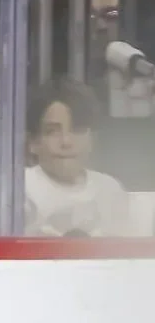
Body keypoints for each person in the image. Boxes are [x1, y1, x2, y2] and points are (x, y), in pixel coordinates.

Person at [25, 78, 130, 237]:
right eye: (52, 131)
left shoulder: (111, 191)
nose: (66, 142)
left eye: (77, 129)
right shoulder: (19, 189)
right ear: (32, 142)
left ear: (92, 139)